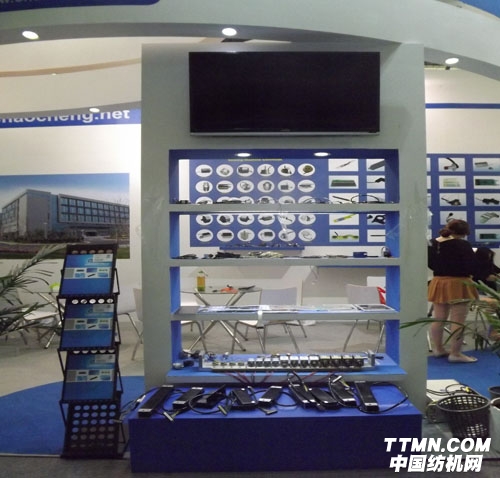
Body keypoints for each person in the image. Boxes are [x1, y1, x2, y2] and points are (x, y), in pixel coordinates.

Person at [427, 219, 479, 363]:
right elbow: (472, 266)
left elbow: (430, 264)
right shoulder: (463, 245)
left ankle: (438, 349)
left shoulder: (433, 243)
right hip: (458, 283)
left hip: (439, 282)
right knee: (458, 320)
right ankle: (455, 353)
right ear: (465, 232)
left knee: (439, 318)